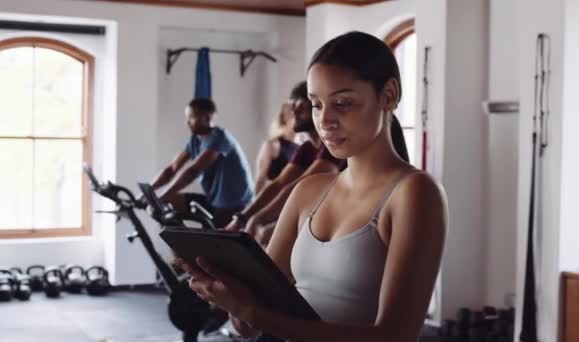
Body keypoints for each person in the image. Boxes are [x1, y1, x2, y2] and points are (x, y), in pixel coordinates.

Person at [178, 31, 447, 342]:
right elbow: (248, 327)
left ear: (388, 95)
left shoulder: (414, 193)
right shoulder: (309, 190)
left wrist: (251, 311)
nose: (325, 120)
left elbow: (395, 336)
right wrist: (227, 290)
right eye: (317, 105)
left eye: (343, 103)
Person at [224, 81, 346, 236]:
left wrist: (257, 219)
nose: (294, 112)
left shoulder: (332, 146)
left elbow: (299, 186)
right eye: (293, 106)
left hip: (336, 216)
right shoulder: (307, 149)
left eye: (301, 107)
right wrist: (242, 218)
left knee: (266, 232)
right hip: (312, 213)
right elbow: (279, 184)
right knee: (263, 231)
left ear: (317, 109)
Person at [149, 97, 254, 228]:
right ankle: (180, 246)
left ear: (207, 118)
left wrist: (162, 194)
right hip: (214, 202)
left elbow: (193, 171)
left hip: (234, 206)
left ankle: (188, 247)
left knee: (211, 243)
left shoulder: (220, 138)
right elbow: (172, 168)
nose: (188, 122)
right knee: (167, 202)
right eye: (187, 117)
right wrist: (148, 192)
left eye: (192, 117)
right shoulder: (195, 140)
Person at [254, 103, 299, 194]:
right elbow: (260, 181)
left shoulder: (301, 147)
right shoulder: (272, 145)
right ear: (284, 118)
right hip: (273, 201)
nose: (299, 118)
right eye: (293, 115)